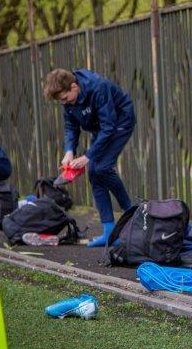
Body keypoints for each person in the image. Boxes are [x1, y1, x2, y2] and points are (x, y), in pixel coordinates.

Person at [43, 68, 135, 247]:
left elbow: (109, 126)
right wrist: (69, 151)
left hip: (120, 122)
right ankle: (109, 232)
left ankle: (131, 212)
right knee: (94, 172)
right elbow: (71, 126)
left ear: (74, 87)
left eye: (64, 98)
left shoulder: (98, 87)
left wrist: (88, 156)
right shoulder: (68, 103)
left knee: (102, 167)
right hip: (101, 128)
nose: (64, 103)